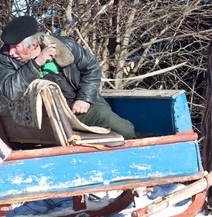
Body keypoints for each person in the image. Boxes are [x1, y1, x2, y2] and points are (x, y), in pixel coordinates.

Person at [0, 15, 135, 140]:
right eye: (9, 47)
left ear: (34, 44)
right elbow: (11, 91)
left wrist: (84, 99)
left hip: (78, 106)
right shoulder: (5, 60)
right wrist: (36, 63)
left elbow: (92, 68)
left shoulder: (65, 46)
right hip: (51, 118)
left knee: (126, 130)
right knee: (102, 115)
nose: (11, 52)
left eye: (15, 47)